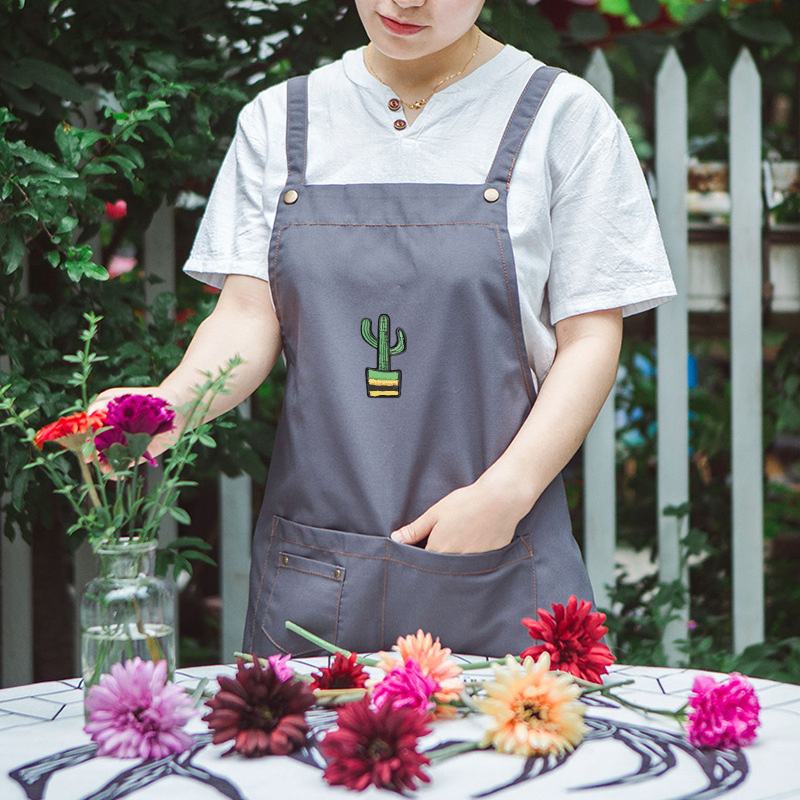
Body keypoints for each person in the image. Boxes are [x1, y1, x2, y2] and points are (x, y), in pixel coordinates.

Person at [95, 0, 677, 658]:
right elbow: (247, 318)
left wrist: (505, 493)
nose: (405, 1)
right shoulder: (282, 120)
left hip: (502, 559)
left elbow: (591, 340)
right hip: (314, 570)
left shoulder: (564, 118)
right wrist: (161, 408)